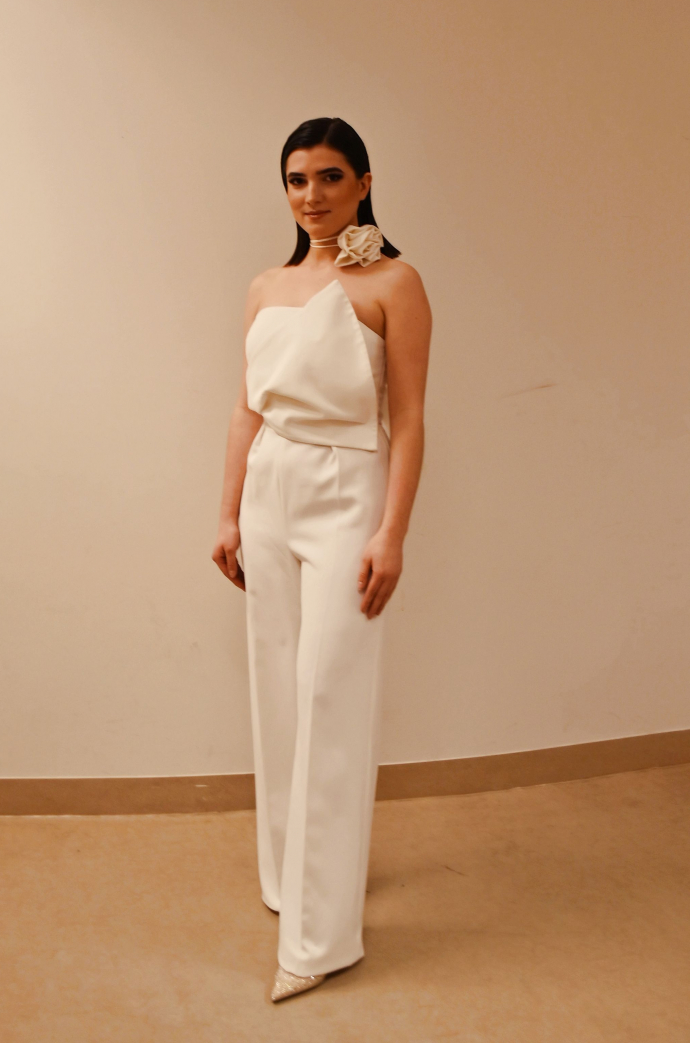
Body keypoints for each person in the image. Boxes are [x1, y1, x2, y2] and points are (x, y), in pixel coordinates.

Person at [212, 116, 432, 1002]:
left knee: (329, 691)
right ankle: (287, 880)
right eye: (297, 179)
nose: (312, 195)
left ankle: (320, 939)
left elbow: (409, 419)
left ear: (365, 183)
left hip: (348, 489)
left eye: (331, 177)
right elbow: (245, 408)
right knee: (275, 683)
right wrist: (226, 513)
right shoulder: (266, 286)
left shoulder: (394, 282)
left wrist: (391, 533)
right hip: (269, 489)